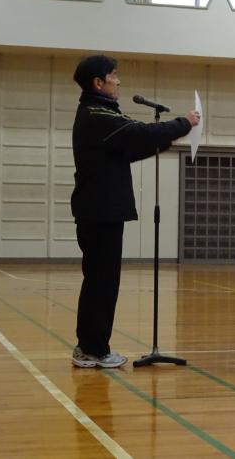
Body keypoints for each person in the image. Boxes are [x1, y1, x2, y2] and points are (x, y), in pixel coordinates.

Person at [70, 55, 199, 368]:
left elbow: (127, 150)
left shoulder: (100, 112)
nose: (118, 81)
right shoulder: (97, 114)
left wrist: (164, 141)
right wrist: (183, 123)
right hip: (99, 211)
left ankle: (90, 346)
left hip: (102, 211)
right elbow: (138, 133)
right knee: (102, 283)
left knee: (101, 281)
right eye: (113, 75)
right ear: (98, 82)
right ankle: (93, 349)